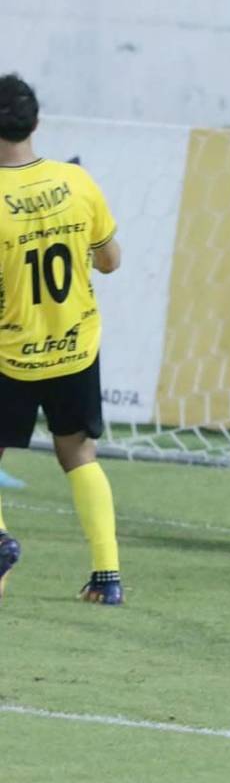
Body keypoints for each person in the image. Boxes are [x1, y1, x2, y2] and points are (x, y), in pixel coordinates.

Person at [0, 73, 124, 606]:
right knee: (78, 453)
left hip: (11, 353)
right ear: (37, 121)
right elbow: (111, 261)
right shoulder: (77, 181)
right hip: (75, 346)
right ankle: (107, 577)